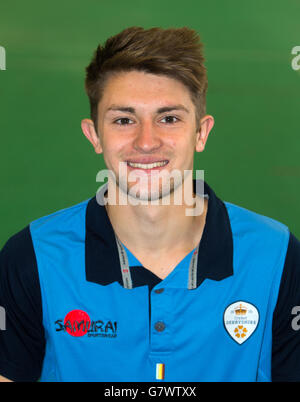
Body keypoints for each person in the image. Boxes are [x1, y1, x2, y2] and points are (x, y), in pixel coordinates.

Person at [0, 26, 300, 382]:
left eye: (168, 118)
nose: (146, 141)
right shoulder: (32, 257)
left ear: (201, 132)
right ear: (94, 134)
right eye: (124, 120)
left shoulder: (277, 256)